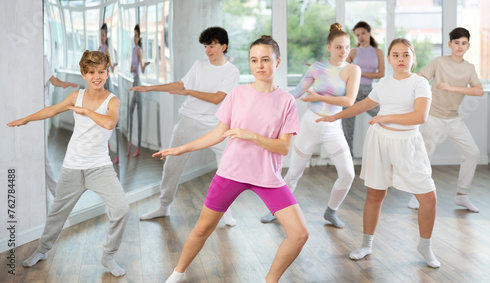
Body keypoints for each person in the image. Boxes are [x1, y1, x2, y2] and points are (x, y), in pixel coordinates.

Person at [162, 35, 309, 283]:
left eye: (265, 59)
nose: (259, 65)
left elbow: (284, 148)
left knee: (299, 234)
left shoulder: (286, 101)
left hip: (267, 177)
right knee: (203, 228)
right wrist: (181, 148)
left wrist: (252, 136)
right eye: (254, 60)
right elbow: (218, 134)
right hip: (231, 173)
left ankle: (270, 280)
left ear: (278, 61)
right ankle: (178, 273)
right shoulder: (237, 94)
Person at [317, 38, 441, 268]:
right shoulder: (384, 82)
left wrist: (386, 117)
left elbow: (419, 117)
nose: (401, 59)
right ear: (390, 58)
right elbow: (362, 104)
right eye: (396, 55)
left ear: (413, 57)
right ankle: (366, 243)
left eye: (405, 54)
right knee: (375, 194)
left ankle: (425, 245)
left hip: (407, 143)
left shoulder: (420, 83)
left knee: (429, 198)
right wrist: (335, 115)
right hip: (380, 141)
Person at [9, 51, 130, 277]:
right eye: (92, 72)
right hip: (72, 166)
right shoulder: (76, 96)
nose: (97, 76)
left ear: (107, 73)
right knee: (57, 212)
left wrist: (86, 111)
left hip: (100, 167)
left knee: (121, 209)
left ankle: (108, 256)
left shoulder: (112, 100)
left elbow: (109, 123)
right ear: (84, 74)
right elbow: (51, 110)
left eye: (101, 72)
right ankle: (42, 250)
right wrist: (26, 119)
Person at [130, 26, 239, 226]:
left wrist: (189, 92)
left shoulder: (231, 71)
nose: (207, 50)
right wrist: (150, 87)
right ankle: (163, 206)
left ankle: (225, 211)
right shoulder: (199, 65)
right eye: (206, 46)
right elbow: (181, 85)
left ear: (223, 47)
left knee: (227, 169)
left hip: (217, 126)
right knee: (172, 164)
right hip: (188, 120)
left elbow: (217, 98)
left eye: (212, 46)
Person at [260, 23, 360, 228]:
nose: (343, 51)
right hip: (310, 125)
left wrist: (317, 96)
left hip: (333, 127)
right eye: (339, 47)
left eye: (347, 47)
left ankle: (331, 211)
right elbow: (297, 91)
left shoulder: (353, 70)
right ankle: (275, 210)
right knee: (294, 173)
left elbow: (349, 101)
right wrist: (274, 100)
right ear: (329, 47)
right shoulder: (317, 67)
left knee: (348, 174)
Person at [407, 27, 483, 212]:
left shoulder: (469, 68)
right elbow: (419, 78)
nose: (460, 46)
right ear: (450, 44)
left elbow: (478, 91)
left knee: (472, 153)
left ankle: (462, 195)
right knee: (424, 157)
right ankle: (416, 195)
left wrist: (452, 87)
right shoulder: (439, 62)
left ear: (468, 46)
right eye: (456, 43)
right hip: (433, 117)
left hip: (453, 119)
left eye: (463, 43)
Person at [343, 21, 384, 155]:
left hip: (368, 91)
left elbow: (381, 73)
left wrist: (361, 73)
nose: (361, 37)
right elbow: (341, 69)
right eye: (358, 35)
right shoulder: (353, 52)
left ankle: (386, 154)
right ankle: (347, 161)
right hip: (352, 91)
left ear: (369, 33)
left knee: (384, 118)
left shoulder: (378, 52)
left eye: (363, 33)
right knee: (347, 129)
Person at [43, 55, 78, 196]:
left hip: (43, 111)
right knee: (40, 153)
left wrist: (62, 83)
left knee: (43, 153)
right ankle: (54, 192)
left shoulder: (43, 59)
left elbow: (52, 80)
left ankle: (56, 193)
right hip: (31, 112)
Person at [127, 24, 150, 158]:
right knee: (130, 113)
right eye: (134, 35)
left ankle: (139, 147)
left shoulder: (139, 50)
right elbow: (131, 69)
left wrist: (144, 66)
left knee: (139, 118)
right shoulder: (134, 50)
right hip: (134, 83)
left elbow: (141, 69)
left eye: (136, 36)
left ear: (139, 37)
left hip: (139, 86)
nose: (135, 38)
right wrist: (132, 69)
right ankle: (130, 142)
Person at [99, 23, 120, 165]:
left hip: (108, 85)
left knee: (112, 119)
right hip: (101, 86)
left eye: (104, 35)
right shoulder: (100, 49)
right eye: (100, 34)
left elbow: (109, 69)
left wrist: (114, 64)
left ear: (107, 36)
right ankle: (106, 147)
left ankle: (116, 152)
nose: (102, 37)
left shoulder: (105, 49)